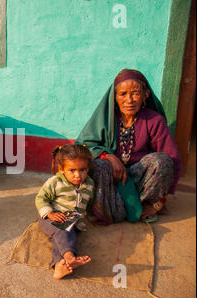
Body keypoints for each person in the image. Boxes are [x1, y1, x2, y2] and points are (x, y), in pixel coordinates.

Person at [75, 69, 181, 224]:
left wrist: (158, 204)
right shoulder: (106, 119)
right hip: (111, 180)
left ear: (146, 95)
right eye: (123, 94)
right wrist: (108, 156)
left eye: (135, 93)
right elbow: (83, 146)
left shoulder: (154, 120)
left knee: (162, 160)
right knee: (98, 164)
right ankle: (109, 207)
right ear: (115, 97)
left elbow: (172, 159)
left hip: (141, 181)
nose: (129, 100)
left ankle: (144, 205)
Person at [35, 144, 94, 280]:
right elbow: (40, 198)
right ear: (61, 169)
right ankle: (70, 256)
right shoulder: (55, 182)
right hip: (50, 217)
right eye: (72, 170)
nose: (78, 175)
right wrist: (49, 213)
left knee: (61, 239)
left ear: (88, 168)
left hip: (72, 221)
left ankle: (59, 266)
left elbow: (89, 202)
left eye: (82, 170)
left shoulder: (89, 184)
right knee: (62, 231)